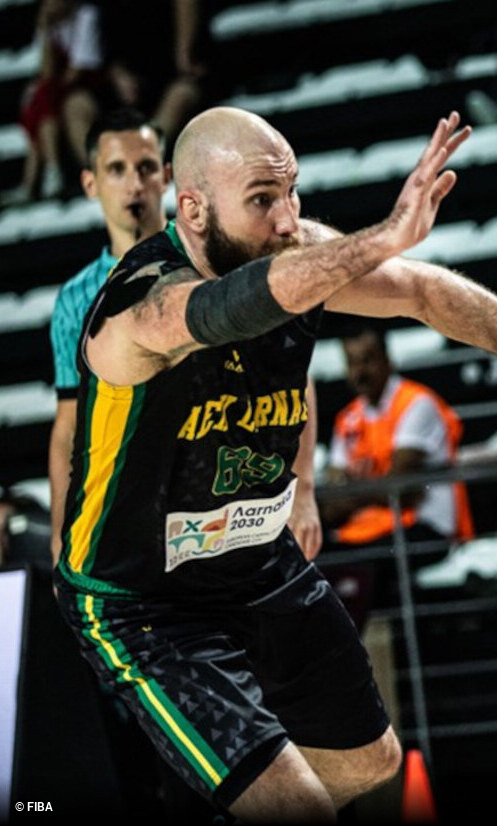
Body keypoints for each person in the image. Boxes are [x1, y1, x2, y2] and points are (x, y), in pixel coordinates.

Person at [53, 106, 497, 819]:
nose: (286, 219)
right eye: (263, 200)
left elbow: (426, 292)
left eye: (292, 192)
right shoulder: (139, 305)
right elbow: (222, 311)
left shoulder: (291, 251)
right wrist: (377, 239)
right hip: (144, 600)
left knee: (373, 765)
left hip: (257, 561)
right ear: (194, 210)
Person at [47, 108, 323, 571]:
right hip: (147, 507)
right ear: (91, 183)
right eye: (116, 169)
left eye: (146, 167)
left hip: (238, 489)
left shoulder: (226, 252)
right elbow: (67, 429)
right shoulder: (77, 298)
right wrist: (61, 532)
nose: (134, 184)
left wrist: (306, 486)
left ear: (169, 176)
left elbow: (295, 378)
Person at [317, 327, 474, 628]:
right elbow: (330, 507)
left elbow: (399, 489)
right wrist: (369, 489)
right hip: (371, 531)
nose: (360, 371)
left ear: (388, 361)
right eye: (352, 362)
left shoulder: (416, 403)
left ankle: (375, 657)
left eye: (368, 360)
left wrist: (352, 488)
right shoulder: (347, 418)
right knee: (313, 557)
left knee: (360, 566)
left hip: (427, 528)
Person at [4, 0, 106, 206]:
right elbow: (46, 70)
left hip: (93, 85)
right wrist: (46, 31)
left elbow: (80, 68)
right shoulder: (54, 24)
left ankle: (39, 176)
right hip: (63, 87)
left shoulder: (87, 15)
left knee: (41, 100)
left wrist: (48, 88)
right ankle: (46, 173)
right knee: (39, 102)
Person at [99, 0, 211, 145]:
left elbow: (191, 66)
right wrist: (118, 74)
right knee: (77, 104)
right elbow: (107, 51)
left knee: (181, 94)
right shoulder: (111, 8)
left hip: (173, 78)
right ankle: (99, 164)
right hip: (130, 83)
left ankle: (141, 154)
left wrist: (185, 52)